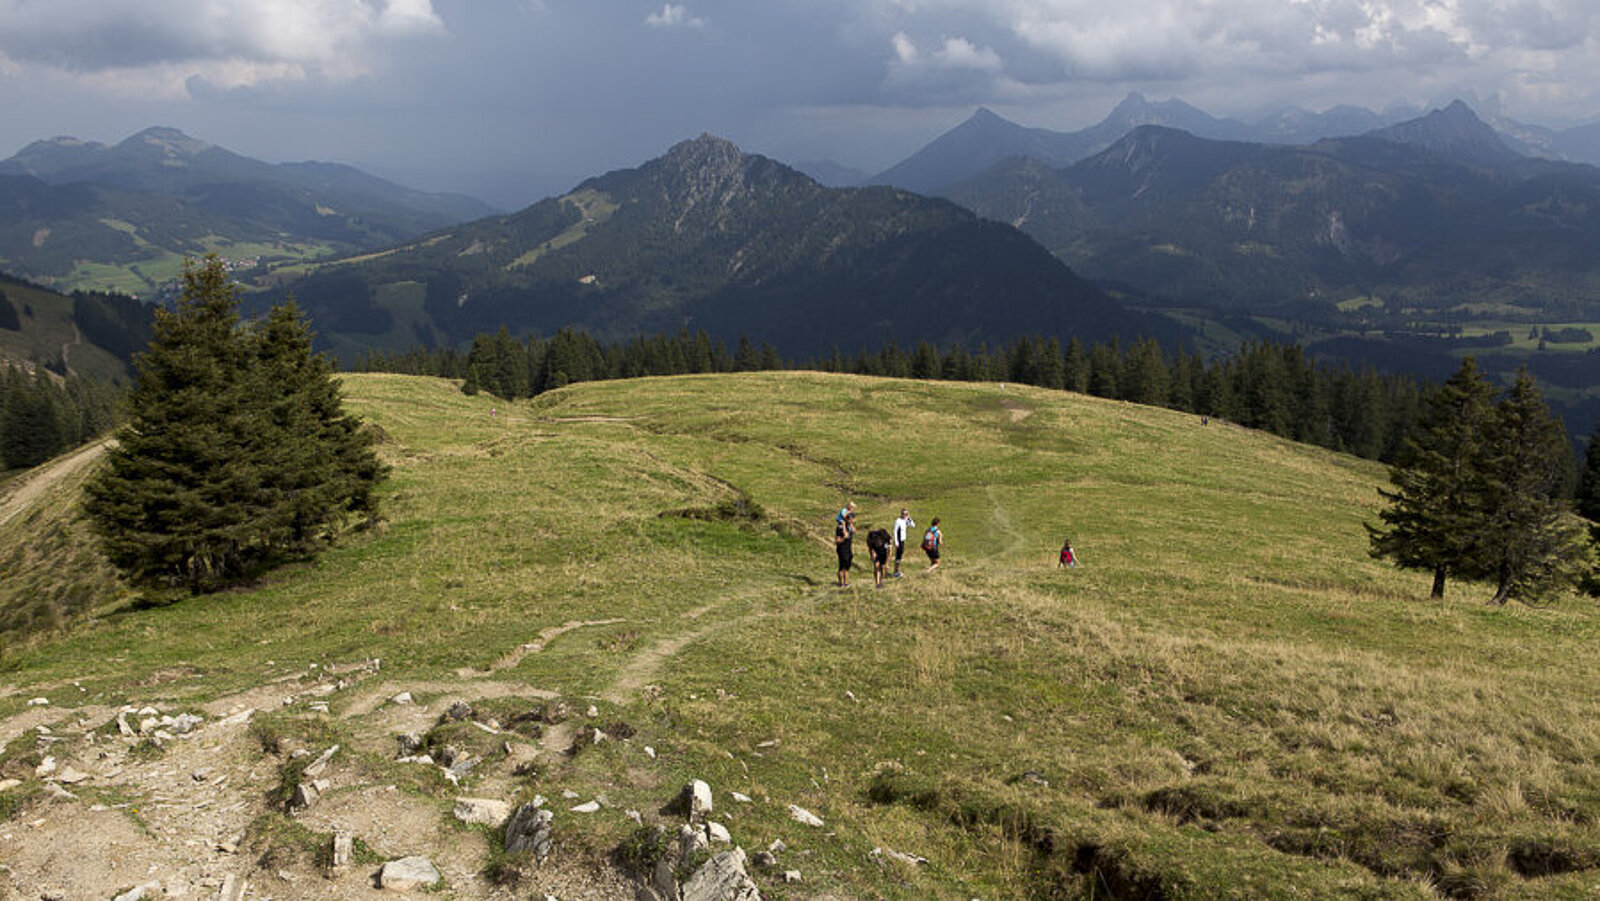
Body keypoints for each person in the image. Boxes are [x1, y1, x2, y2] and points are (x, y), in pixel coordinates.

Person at [891, 508, 914, 577]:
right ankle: (896, 571)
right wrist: (896, 542)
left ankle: (897, 570)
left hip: (903, 540)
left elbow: (913, 525)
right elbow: (895, 532)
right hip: (899, 541)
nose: (905, 515)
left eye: (906, 514)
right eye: (904, 514)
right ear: (901, 514)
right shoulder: (898, 521)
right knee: (898, 557)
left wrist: (909, 518)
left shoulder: (905, 521)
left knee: (899, 556)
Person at [835, 511, 855, 588]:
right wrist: (843, 538)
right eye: (850, 519)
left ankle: (846, 583)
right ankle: (841, 583)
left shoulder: (849, 527)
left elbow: (853, 531)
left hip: (848, 548)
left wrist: (851, 526)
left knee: (847, 567)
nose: (851, 521)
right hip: (842, 549)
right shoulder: (840, 528)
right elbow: (837, 540)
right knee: (842, 566)